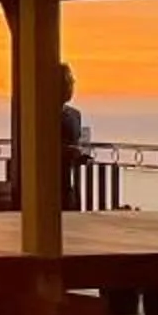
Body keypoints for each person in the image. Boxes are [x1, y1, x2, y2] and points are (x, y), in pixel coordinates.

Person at [58, 61, 91, 209]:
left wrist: (79, 154)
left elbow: (77, 143)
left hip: (68, 180)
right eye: (66, 82)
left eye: (71, 82)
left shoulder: (74, 115)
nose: (70, 87)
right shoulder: (41, 115)